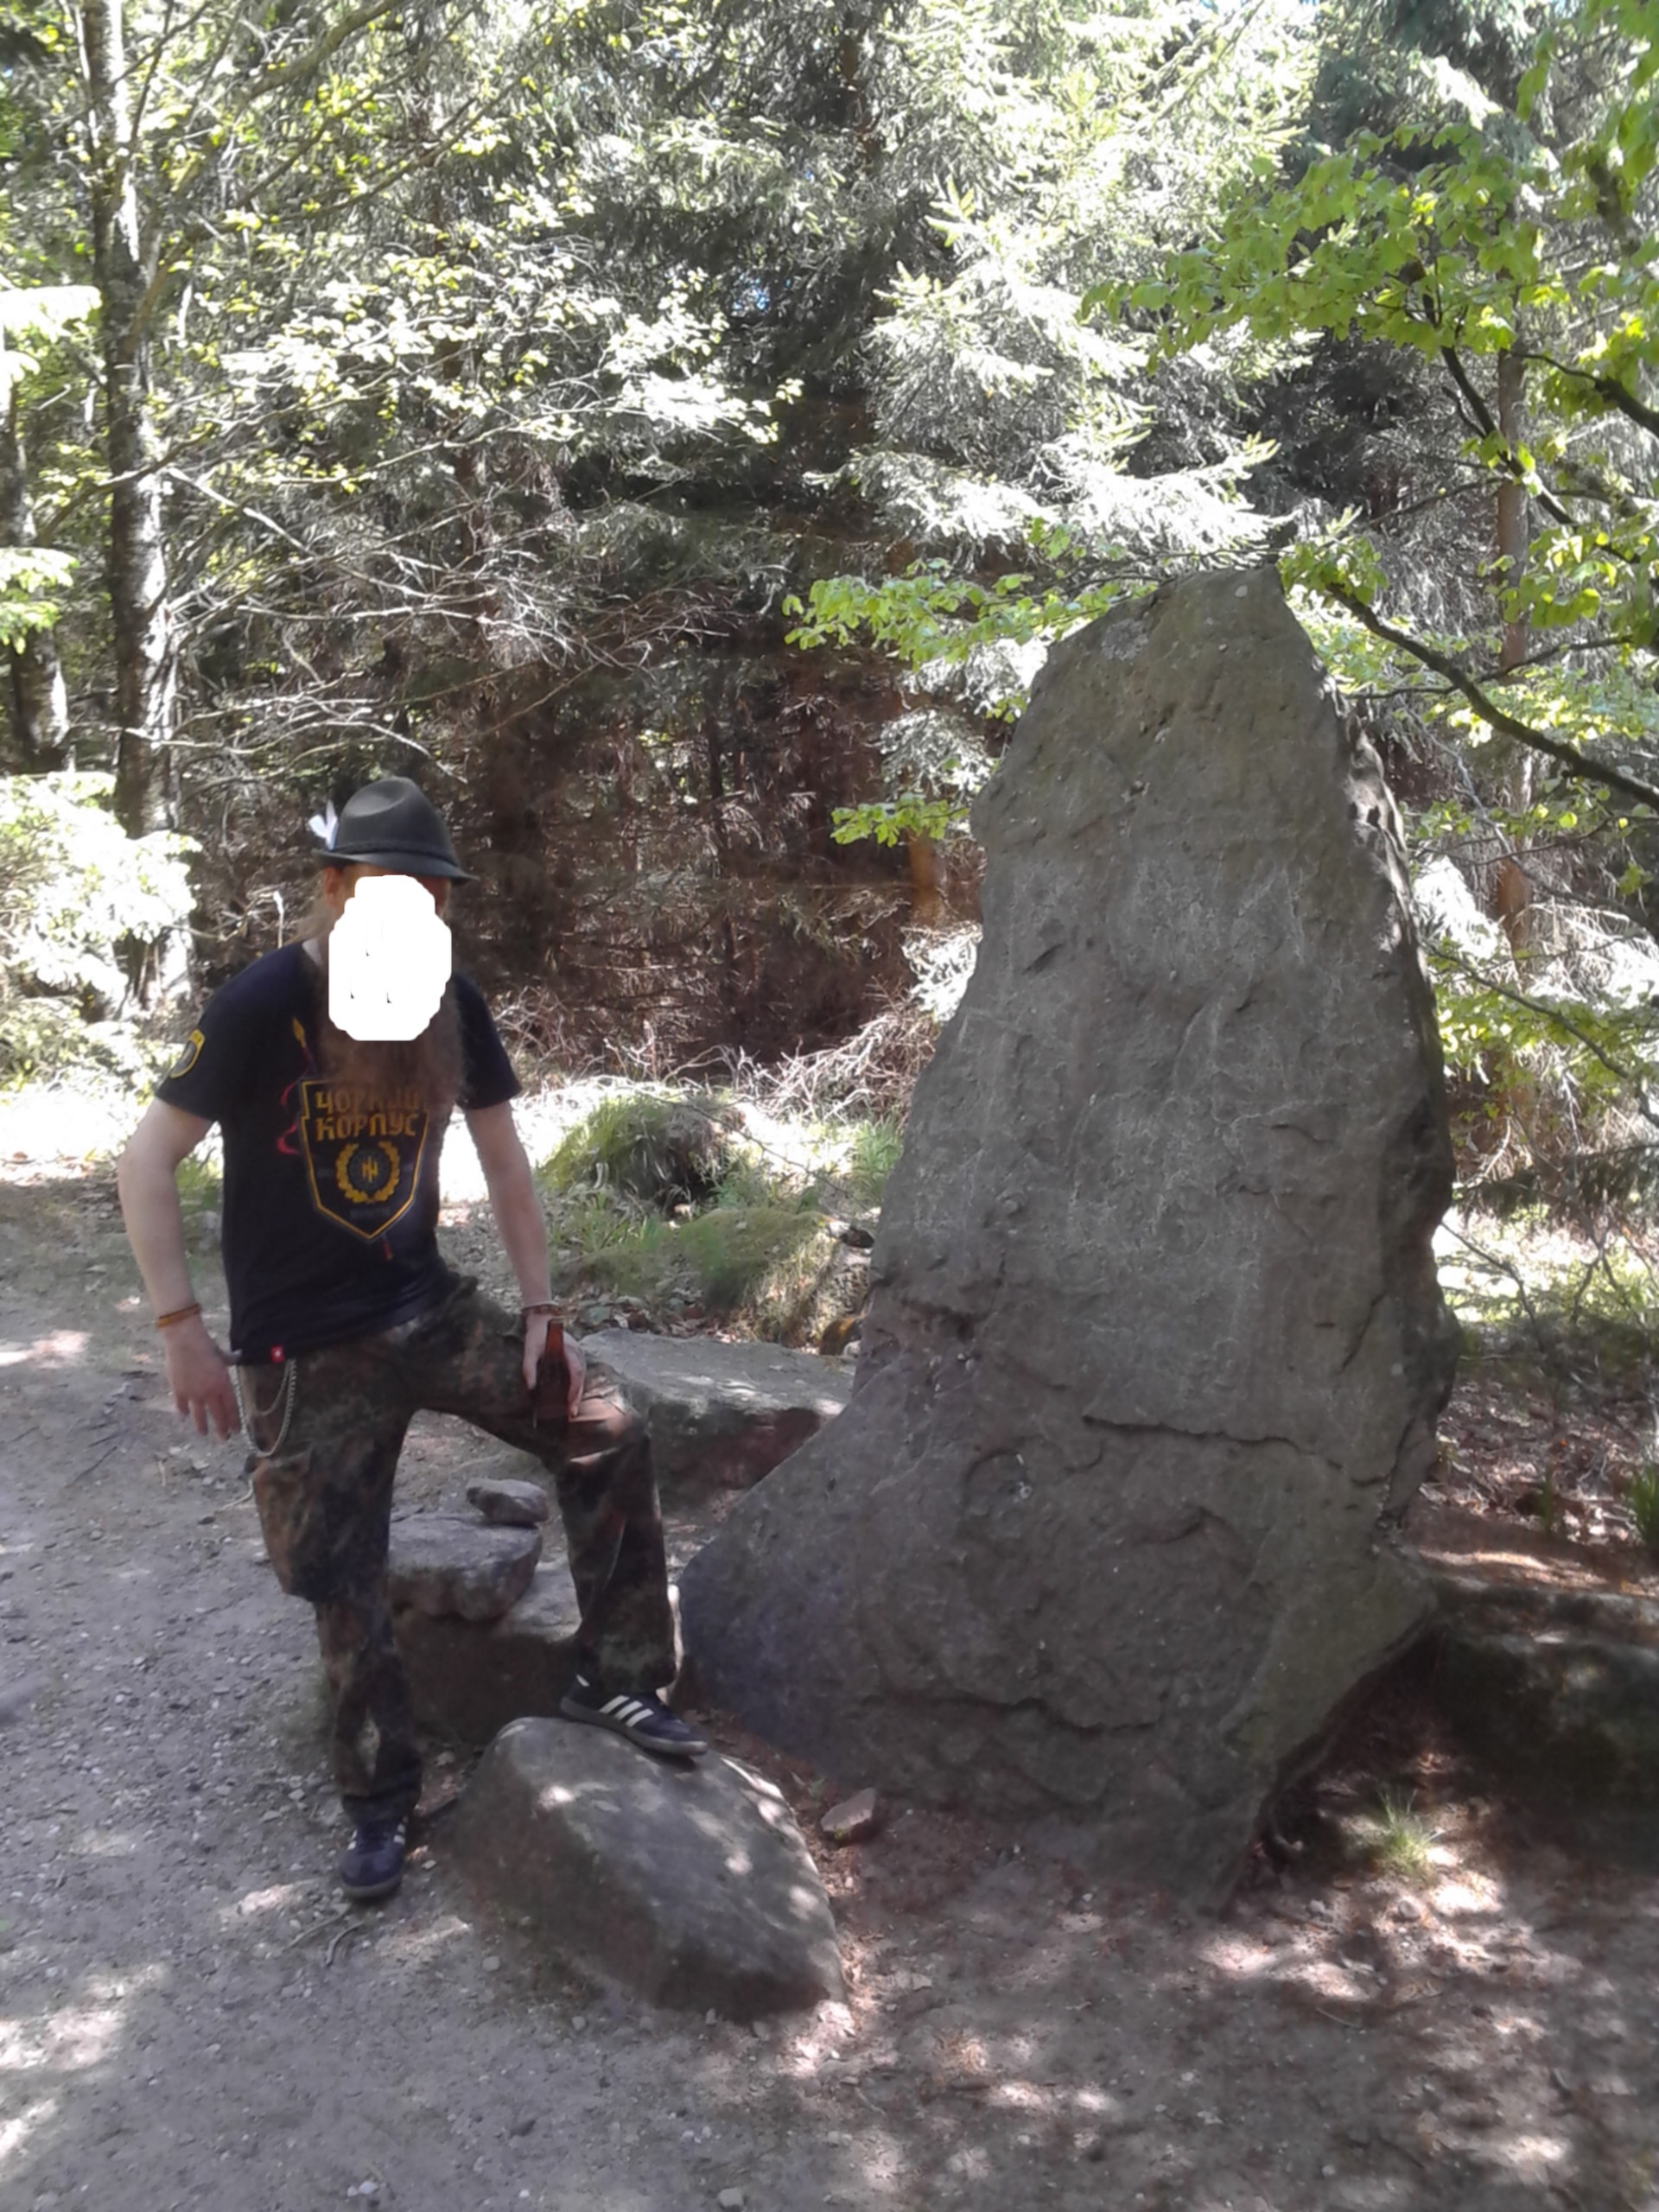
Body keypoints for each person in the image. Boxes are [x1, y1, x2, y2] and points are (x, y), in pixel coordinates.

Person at [117, 776, 703, 1904]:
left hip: (426, 1311)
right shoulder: (263, 1003)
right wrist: (181, 1330)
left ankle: (620, 1678)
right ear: (337, 886)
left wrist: (541, 1315)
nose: (416, 909)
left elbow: (505, 1162)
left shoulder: (447, 1002)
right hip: (302, 1352)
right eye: (392, 886)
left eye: (432, 892)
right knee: (334, 1569)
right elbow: (145, 1163)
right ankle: (381, 1801)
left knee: (603, 1426)